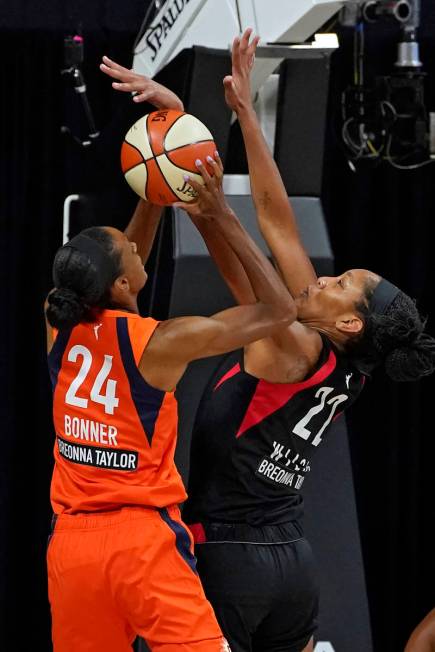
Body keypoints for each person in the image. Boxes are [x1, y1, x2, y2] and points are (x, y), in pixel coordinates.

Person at [101, 33, 435, 652]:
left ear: (352, 322)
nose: (326, 276)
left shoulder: (293, 347)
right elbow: (277, 217)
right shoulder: (337, 355)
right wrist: (245, 114)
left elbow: (245, 265)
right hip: (292, 564)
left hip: (232, 558)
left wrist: (199, 184)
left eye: (340, 282)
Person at [45, 151, 296, 652]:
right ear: (120, 285)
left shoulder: (57, 321)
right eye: (133, 255)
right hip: (141, 541)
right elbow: (279, 310)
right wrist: (221, 213)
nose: (141, 252)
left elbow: (123, 255)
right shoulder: (161, 342)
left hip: (71, 546)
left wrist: (152, 191)